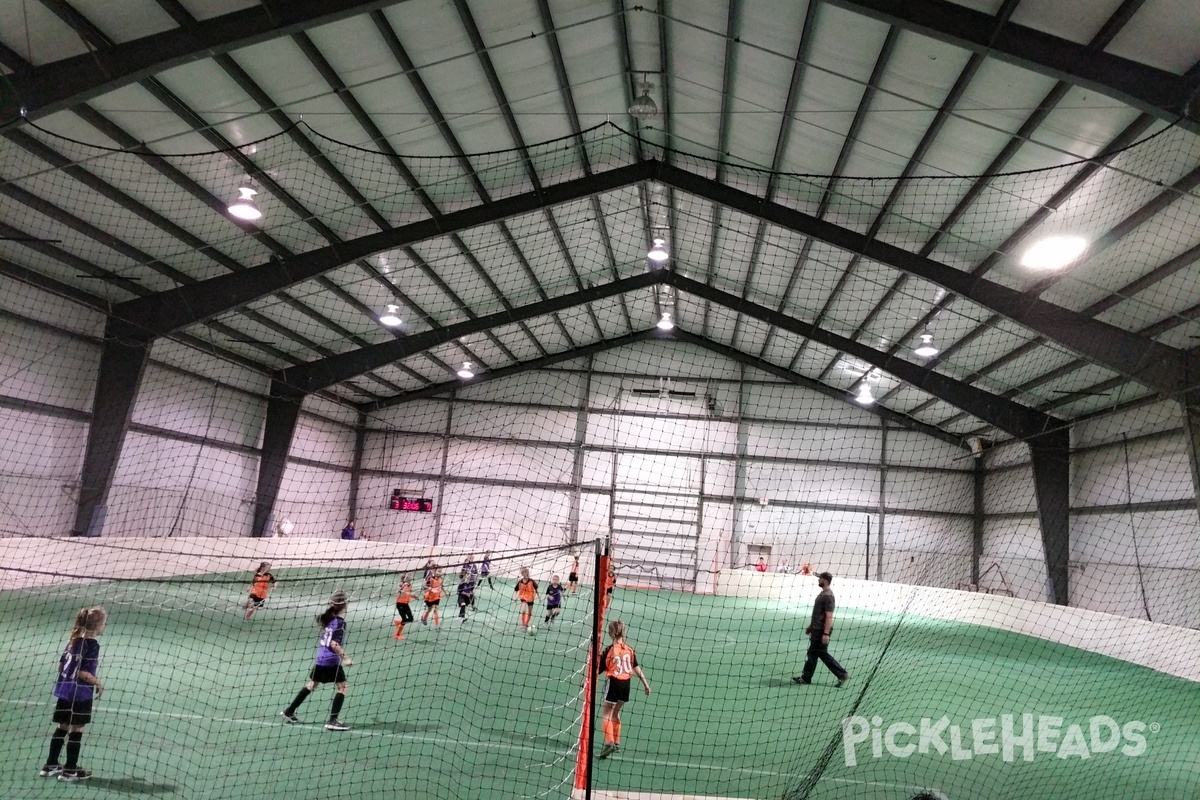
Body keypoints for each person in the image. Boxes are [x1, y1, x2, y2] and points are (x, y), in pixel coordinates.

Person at [40, 606, 107, 781]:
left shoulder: (74, 641)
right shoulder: (92, 645)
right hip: (80, 695)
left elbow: (61, 666)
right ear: (98, 624)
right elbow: (82, 672)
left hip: (65, 692)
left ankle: (50, 765)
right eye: (104, 623)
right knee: (77, 728)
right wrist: (98, 683)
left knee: (62, 726)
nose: (104, 626)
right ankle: (70, 770)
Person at [281, 591, 353, 731]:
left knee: (312, 685)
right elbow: (334, 644)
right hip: (331, 661)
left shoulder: (329, 619)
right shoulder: (340, 622)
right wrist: (346, 658)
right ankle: (333, 720)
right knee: (343, 687)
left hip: (321, 659)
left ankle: (289, 711)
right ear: (344, 606)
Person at [597, 619, 650, 759]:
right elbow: (636, 668)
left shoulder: (609, 650)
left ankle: (609, 743)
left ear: (611, 634)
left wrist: (586, 680)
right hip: (626, 685)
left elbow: (598, 670)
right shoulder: (629, 650)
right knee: (616, 713)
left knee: (606, 714)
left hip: (614, 683)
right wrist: (645, 684)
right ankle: (617, 742)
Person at [793, 571, 850, 688]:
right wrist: (811, 626)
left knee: (817, 653)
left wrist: (826, 633)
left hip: (821, 630)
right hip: (817, 629)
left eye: (820, 578)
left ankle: (841, 674)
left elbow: (829, 616)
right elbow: (819, 614)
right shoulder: (823, 594)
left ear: (825, 580)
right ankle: (807, 677)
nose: (818, 580)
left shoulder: (828, 596)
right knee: (816, 653)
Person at [514, 567, 539, 632]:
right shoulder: (520, 582)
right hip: (523, 598)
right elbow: (516, 590)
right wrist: (515, 597)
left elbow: (536, 589)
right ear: (522, 574)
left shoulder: (531, 581)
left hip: (530, 598)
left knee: (530, 612)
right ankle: (523, 625)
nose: (526, 574)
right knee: (523, 611)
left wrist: (539, 597)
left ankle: (526, 623)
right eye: (524, 573)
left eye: (527, 573)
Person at [393, 574, 414, 640]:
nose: (411, 577)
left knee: (411, 619)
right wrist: (408, 594)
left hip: (406, 604)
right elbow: (400, 594)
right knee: (404, 620)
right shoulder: (402, 585)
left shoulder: (408, 585)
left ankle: (398, 622)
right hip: (400, 604)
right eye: (409, 576)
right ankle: (397, 635)